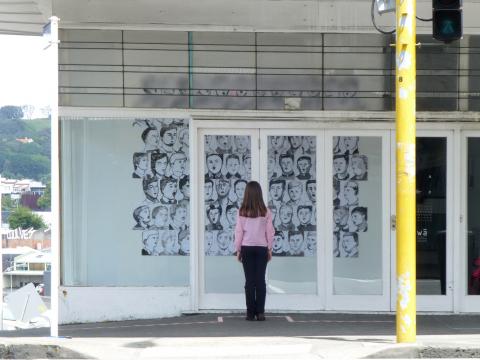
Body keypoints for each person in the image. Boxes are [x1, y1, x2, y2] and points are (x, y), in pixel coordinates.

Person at [234, 181, 275, 321]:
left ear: (246, 194)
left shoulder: (242, 211)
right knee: (260, 281)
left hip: (247, 248)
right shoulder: (266, 211)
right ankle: (261, 312)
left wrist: (238, 249)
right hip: (261, 248)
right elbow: (270, 232)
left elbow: (239, 232)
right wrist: (270, 248)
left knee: (249, 281)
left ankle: (250, 313)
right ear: (259, 194)